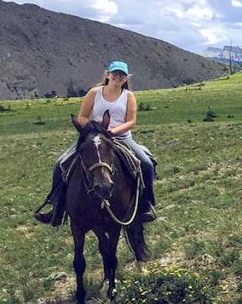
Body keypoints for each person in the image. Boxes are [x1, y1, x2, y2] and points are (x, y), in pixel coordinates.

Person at [34, 61, 157, 225]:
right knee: (60, 163)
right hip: (93, 137)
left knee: (146, 163)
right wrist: (95, 130)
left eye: (122, 74)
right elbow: (82, 117)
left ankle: (146, 204)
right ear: (108, 75)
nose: (118, 76)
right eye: (115, 73)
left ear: (126, 78)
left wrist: (112, 132)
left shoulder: (128, 96)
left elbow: (131, 121)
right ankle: (56, 207)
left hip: (121, 137)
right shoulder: (94, 93)